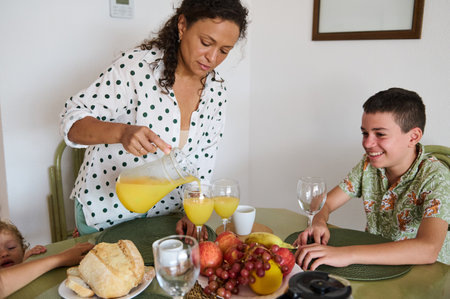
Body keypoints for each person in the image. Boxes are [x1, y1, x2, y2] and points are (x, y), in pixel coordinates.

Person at [60, 0, 249, 238]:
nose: (211, 57)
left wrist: (191, 212)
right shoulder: (137, 68)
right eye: (206, 43)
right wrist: (121, 133)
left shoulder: (216, 91)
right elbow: (72, 122)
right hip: (106, 211)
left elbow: (202, 161)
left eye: (224, 51)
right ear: (182, 26)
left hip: (166, 218)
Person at [294, 87, 450, 270]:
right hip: (375, 266)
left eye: (380, 134)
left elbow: (428, 249)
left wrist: (345, 254)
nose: (367, 143)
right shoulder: (368, 165)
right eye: (365, 133)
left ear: (413, 137)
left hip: (426, 274)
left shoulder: (436, 177)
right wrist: (319, 222)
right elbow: (324, 202)